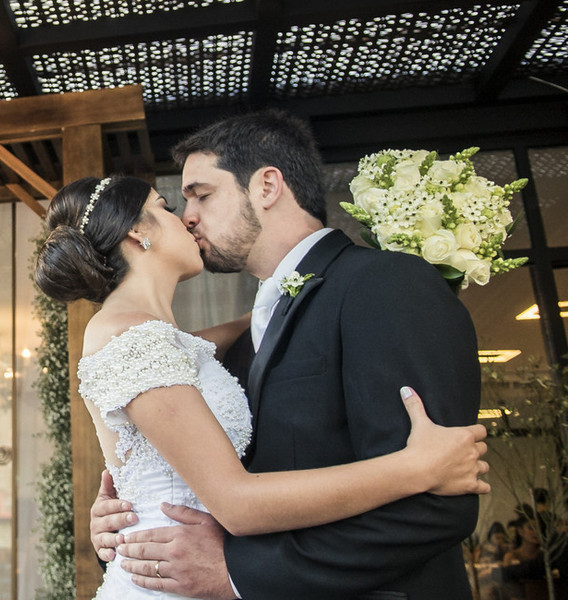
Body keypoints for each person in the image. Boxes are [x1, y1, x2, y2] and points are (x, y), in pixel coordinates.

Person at [86, 109, 486, 599]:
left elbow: (438, 500)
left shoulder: (386, 284)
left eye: (202, 195)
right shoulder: (238, 339)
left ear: (267, 186)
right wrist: (125, 513)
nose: (188, 216)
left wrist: (237, 573)